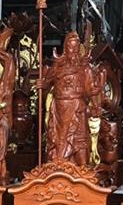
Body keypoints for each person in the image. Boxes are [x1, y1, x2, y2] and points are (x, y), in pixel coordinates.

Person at [42, 31, 102, 166]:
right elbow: (47, 82)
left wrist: (95, 105)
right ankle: (58, 165)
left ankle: (81, 169)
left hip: (77, 107)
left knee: (79, 140)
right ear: (65, 48)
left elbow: (90, 89)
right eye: (70, 47)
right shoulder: (57, 66)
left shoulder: (84, 67)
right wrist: (42, 84)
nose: (73, 51)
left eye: (76, 47)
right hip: (59, 109)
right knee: (58, 140)